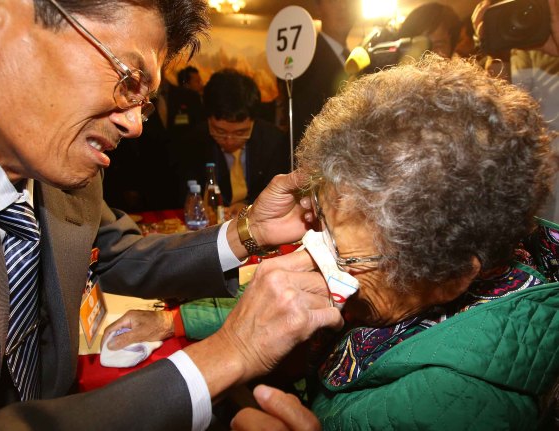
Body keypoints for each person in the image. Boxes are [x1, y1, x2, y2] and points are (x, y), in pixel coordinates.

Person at [0, 0, 344, 429]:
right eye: (128, 78)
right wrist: (226, 355)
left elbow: (113, 255)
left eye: (147, 101)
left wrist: (249, 232)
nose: (135, 125)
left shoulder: (56, 156)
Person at [112, 56, 559, 430]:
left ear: (448, 279)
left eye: (341, 254)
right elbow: (288, 296)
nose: (317, 257)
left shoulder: (454, 401)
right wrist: (176, 322)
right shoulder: (394, 270)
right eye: (319, 221)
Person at [473, 0, 559, 223]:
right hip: (537, 179)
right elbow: (501, 115)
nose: (524, 14)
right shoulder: (521, 32)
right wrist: (493, 46)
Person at [177, 69, 290, 214]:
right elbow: (187, 192)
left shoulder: (273, 141)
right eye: (220, 131)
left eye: (240, 133)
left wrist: (250, 208)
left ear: (253, 121)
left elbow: (278, 194)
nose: (229, 141)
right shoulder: (194, 142)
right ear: (208, 119)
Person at [277, 0, 358, 144]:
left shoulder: (356, 58)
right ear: (318, 8)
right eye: (334, 1)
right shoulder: (305, 60)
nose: (343, 6)